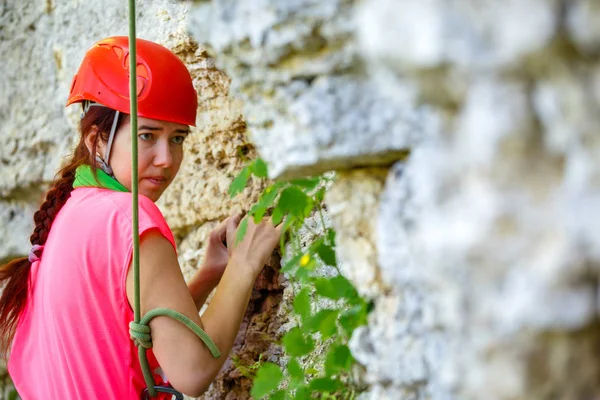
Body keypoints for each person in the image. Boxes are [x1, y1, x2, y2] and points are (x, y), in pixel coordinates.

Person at [0, 36, 281, 399]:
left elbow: (123, 339)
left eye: (178, 138)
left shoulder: (65, 219)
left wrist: (212, 274)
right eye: (147, 135)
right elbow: (192, 370)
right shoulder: (128, 216)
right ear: (97, 139)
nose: (166, 158)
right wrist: (243, 266)